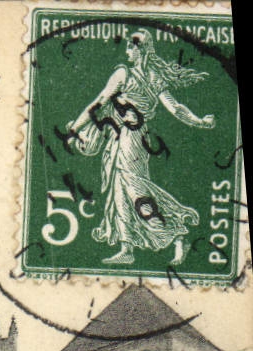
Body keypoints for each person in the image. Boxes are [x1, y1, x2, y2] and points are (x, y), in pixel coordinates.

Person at [65, 29, 216, 266]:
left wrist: (74, 128)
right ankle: (128, 248)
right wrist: (200, 121)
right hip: (132, 139)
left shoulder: (123, 74)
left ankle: (176, 234)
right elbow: (176, 108)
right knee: (121, 191)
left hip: (130, 139)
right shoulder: (154, 76)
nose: (126, 52)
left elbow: (99, 103)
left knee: (135, 190)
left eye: (130, 47)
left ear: (140, 49)